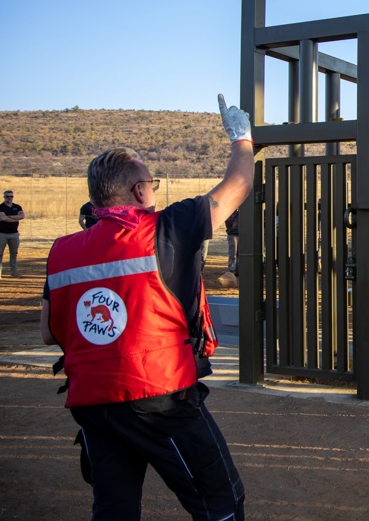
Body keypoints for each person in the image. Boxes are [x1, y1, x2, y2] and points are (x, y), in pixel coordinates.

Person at [40, 94, 254, 520]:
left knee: (114, 508)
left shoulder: (61, 250)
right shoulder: (167, 229)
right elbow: (238, 186)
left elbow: (50, 332)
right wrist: (241, 140)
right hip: (158, 396)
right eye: (152, 184)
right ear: (139, 191)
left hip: (93, 405)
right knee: (220, 503)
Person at [0, 189, 25, 279]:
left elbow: (22, 216)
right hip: (2, 234)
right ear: (4, 197)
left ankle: (14, 272)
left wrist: (9, 217)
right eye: (7, 196)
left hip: (14, 234)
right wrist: (15, 218)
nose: (9, 198)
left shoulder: (17, 207)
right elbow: (3, 218)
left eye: (11, 196)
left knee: (14, 254)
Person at [226, 209, 239, 274]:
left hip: (240, 234)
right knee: (233, 253)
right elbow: (229, 223)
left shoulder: (241, 214)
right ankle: (232, 269)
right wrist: (236, 215)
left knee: (239, 254)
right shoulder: (228, 213)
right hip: (232, 234)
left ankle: (238, 269)